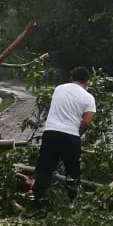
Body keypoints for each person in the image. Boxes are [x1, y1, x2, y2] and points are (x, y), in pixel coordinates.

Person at [31, 66, 96, 211]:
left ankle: (39, 202)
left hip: (51, 133)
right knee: (72, 170)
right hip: (71, 136)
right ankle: (72, 202)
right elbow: (86, 122)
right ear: (87, 82)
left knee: (45, 167)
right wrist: (78, 134)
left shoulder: (59, 89)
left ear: (71, 78)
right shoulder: (88, 98)